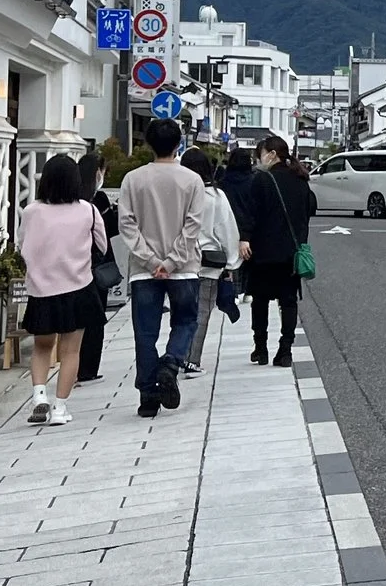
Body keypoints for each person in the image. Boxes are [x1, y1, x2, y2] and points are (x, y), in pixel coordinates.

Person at [118, 118, 206, 417]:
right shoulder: (192, 180)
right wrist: (171, 261)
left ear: (147, 144)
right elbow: (193, 226)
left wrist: (152, 260)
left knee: (145, 333)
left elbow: (127, 225)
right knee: (186, 321)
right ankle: (171, 362)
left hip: (144, 269)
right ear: (179, 143)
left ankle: (147, 397)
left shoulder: (133, 179)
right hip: (183, 267)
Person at [15, 153, 108, 427]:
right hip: (78, 288)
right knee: (70, 352)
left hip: (42, 291)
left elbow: (22, 246)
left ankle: (38, 395)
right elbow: (102, 245)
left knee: (42, 347)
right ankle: (59, 408)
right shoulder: (87, 210)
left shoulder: (31, 211)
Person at [236, 134, 315, 364]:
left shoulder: (262, 180)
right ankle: (286, 351)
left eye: (260, 154)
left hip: (263, 252)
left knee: (260, 301)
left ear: (271, 154)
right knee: (288, 302)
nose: (259, 160)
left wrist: (245, 238)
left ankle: (260, 349)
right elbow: (307, 213)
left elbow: (251, 213)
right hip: (291, 253)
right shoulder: (301, 181)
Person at [180, 147, 242, 375]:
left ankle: (176, 354)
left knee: (181, 313)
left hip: (180, 263)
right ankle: (191, 360)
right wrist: (231, 263)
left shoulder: (177, 195)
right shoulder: (215, 197)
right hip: (208, 263)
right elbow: (227, 230)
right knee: (201, 313)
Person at [72, 150, 120, 384]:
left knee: (76, 321)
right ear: (97, 173)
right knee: (95, 319)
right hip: (95, 266)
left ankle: (72, 366)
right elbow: (108, 233)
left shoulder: (69, 198)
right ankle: (88, 369)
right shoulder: (97, 201)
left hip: (71, 266)